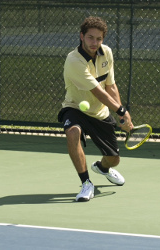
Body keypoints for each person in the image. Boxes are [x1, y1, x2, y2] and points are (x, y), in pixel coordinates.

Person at [58, 16, 133, 202]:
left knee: (113, 159)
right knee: (72, 132)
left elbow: (111, 86)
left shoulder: (106, 52)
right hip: (75, 107)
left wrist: (123, 114)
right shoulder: (74, 60)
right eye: (90, 37)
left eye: (99, 39)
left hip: (100, 113)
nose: (94, 42)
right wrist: (121, 111)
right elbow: (98, 92)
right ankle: (86, 183)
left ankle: (102, 168)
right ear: (81, 36)